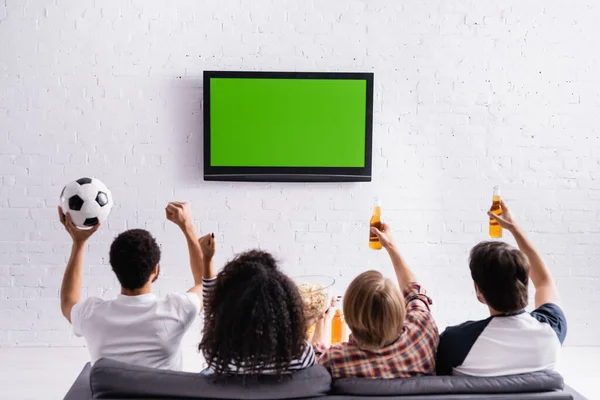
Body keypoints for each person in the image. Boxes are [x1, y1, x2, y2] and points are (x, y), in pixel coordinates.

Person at [59, 202, 208, 370]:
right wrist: (187, 226)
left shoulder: (92, 314)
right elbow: (205, 283)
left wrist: (79, 243)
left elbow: (67, 302)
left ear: (114, 268)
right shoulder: (177, 310)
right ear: (155, 270)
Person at [436, 200, 567, 376]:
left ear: (479, 291)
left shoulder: (456, 341)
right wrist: (513, 227)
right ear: (525, 283)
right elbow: (544, 282)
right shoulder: (551, 330)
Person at [312, 224, 439, 379]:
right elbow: (414, 292)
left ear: (349, 316)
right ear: (400, 311)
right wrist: (391, 246)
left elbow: (314, 368)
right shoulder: (422, 332)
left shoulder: (336, 360)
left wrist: (320, 323)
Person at [199, 244, 316, 376]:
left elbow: (211, 312)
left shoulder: (217, 357)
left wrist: (207, 259)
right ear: (287, 314)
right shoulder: (302, 357)